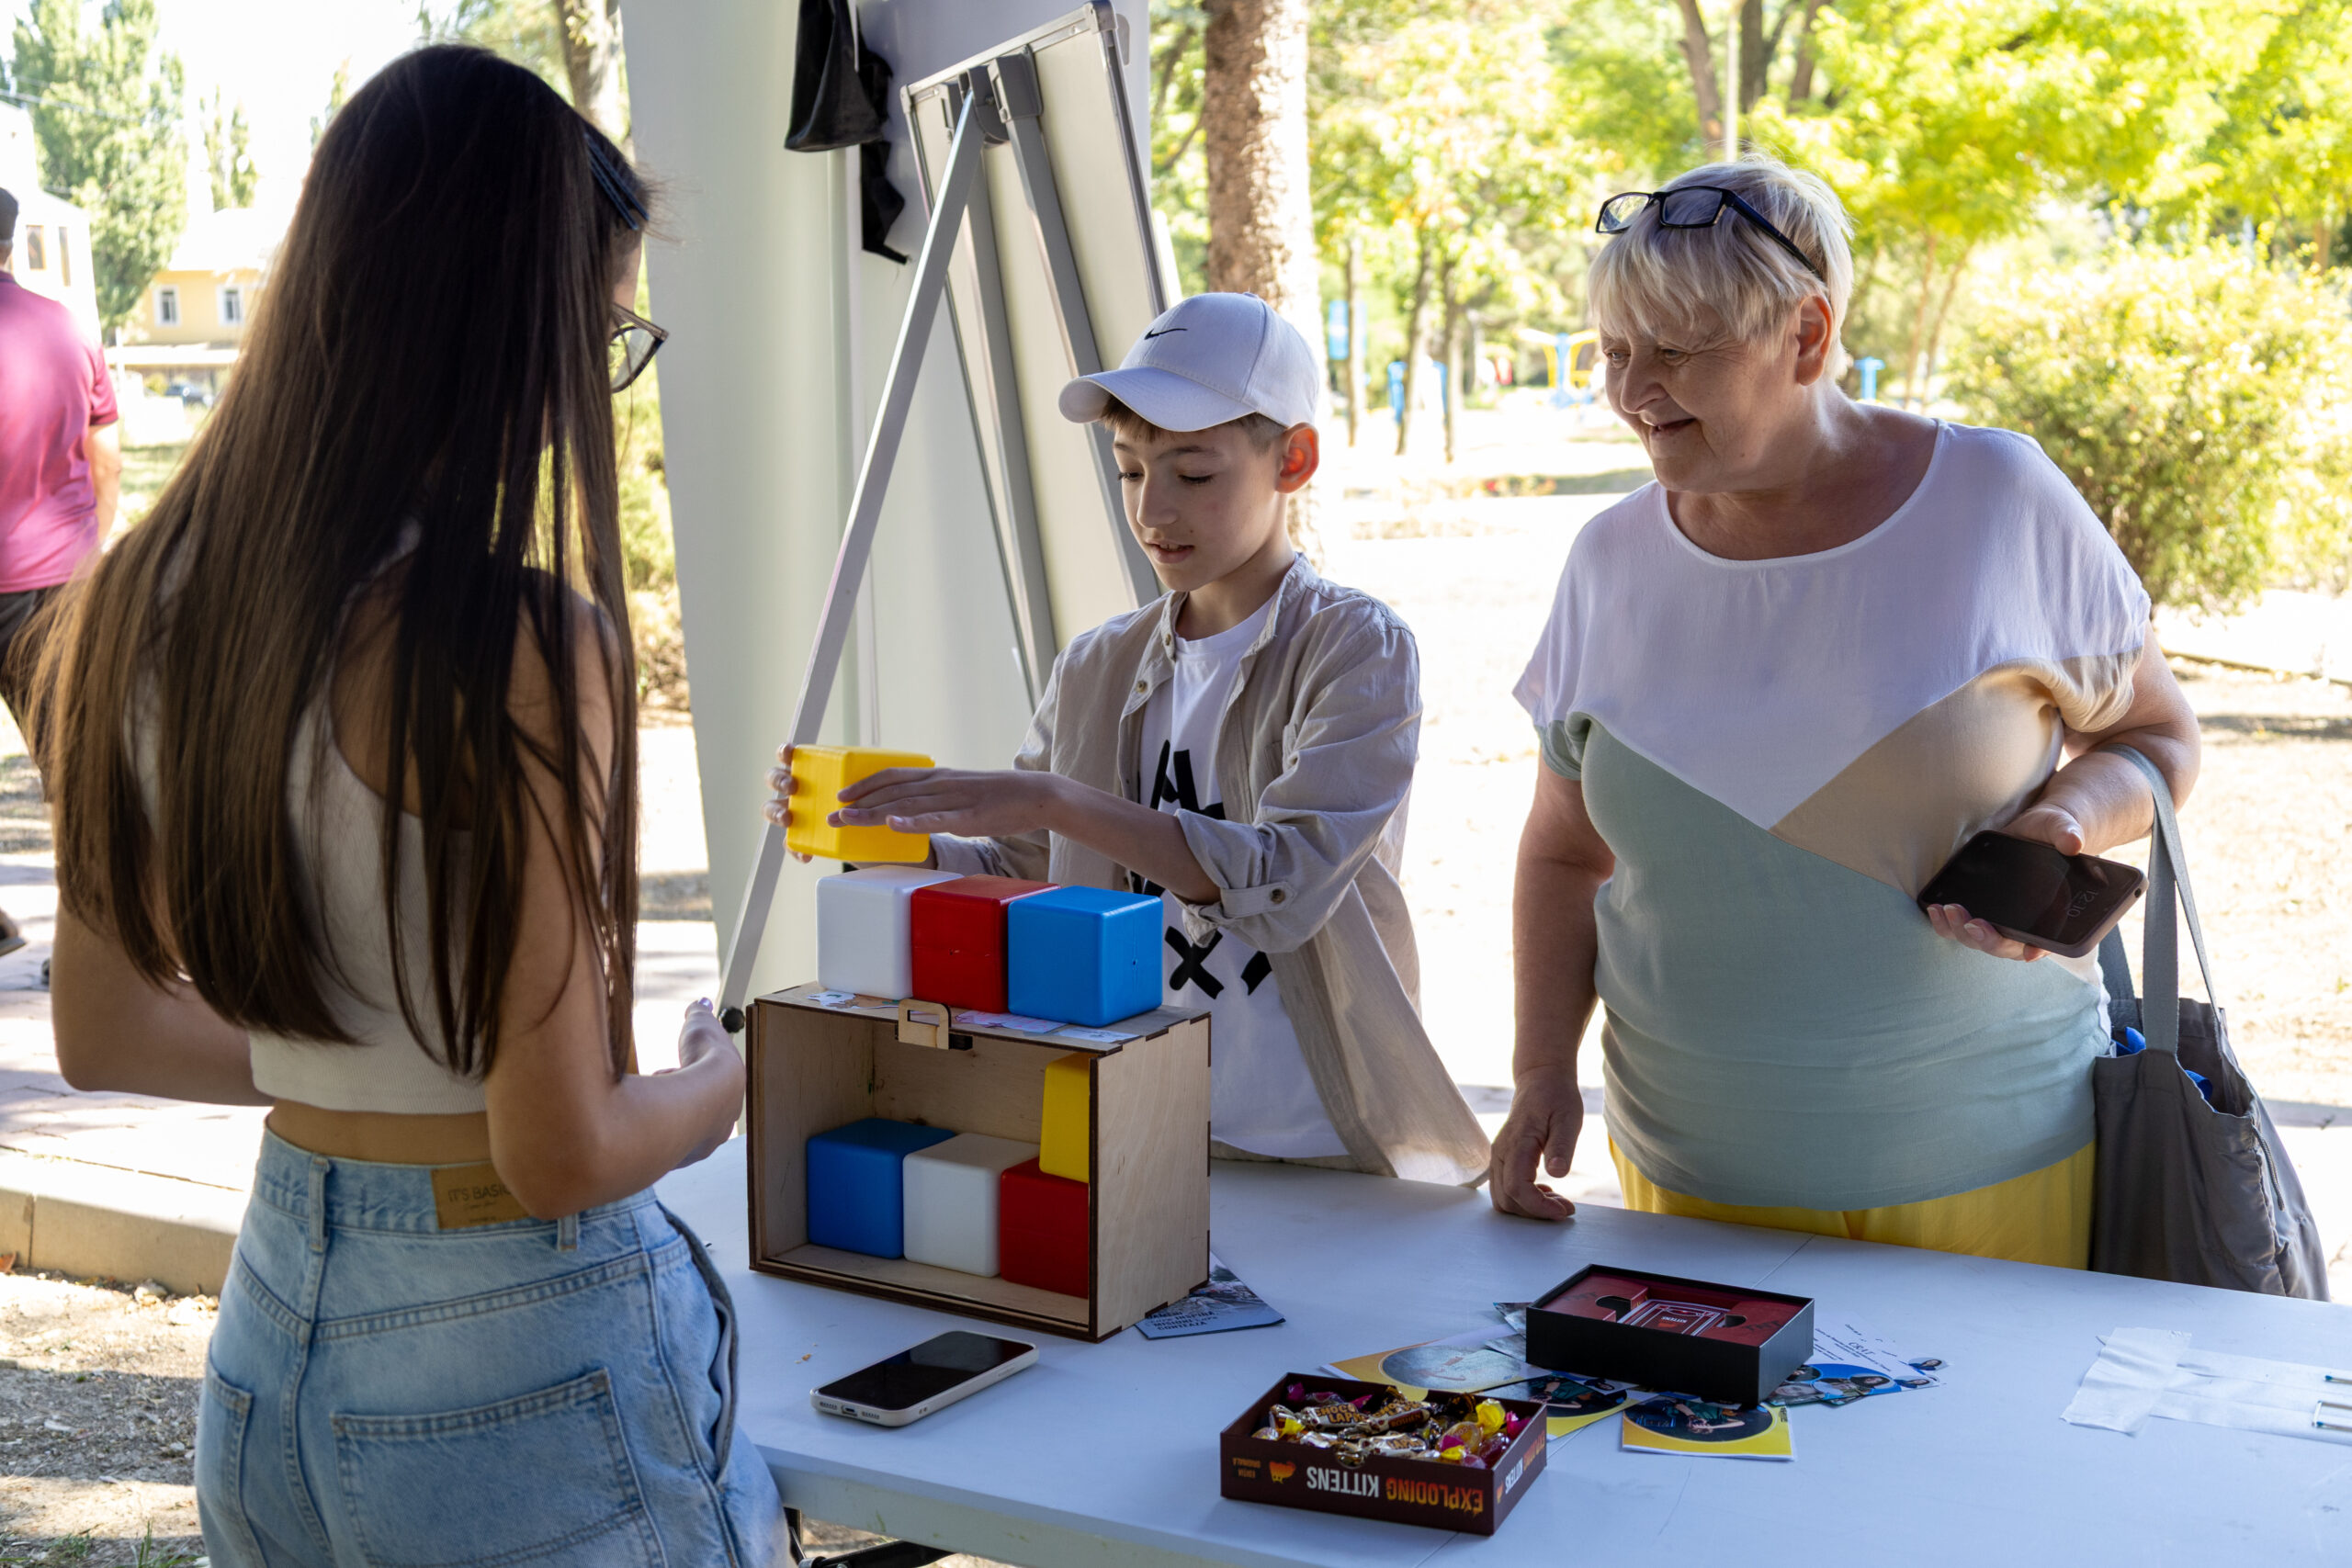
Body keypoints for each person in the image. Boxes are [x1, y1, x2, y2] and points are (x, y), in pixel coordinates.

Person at [40, 49, 783, 1565]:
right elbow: (559, 1150)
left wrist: (349, 1065)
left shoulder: (132, 603)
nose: (595, 380)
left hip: (273, 1333)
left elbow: (103, 1030)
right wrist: (731, 1079)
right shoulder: (514, 643)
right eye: (601, 328)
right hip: (514, 1354)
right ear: (510, 324)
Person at [1491, 154, 2199, 1269]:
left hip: (1990, 1160)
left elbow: (2156, 738)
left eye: (1675, 350)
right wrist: (1540, 1070)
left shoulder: (1997, 499)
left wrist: (2062, 824)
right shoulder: (1607, 558)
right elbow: (1562, 850)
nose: (1632, 391)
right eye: (1615, 351)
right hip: (1688, 1173)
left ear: (1806, 336)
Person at [769, 292, 1487, 1184]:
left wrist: (1054, 798)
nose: (1153, 510)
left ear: (1293, 460)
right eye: (1129, 471)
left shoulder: (1356, 646)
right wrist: (890, 833)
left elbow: (1287, 880)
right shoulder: (1094, 664)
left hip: (1319, 1140)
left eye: (1195, 474)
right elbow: (1032, 868)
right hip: (1129, 1124)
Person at [0, 184, 119, 961]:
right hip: (55, 580)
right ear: (11, 243)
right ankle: (89, 947)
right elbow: (107, 457)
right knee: (70, 765)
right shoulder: (69, 329)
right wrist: (88, 550)